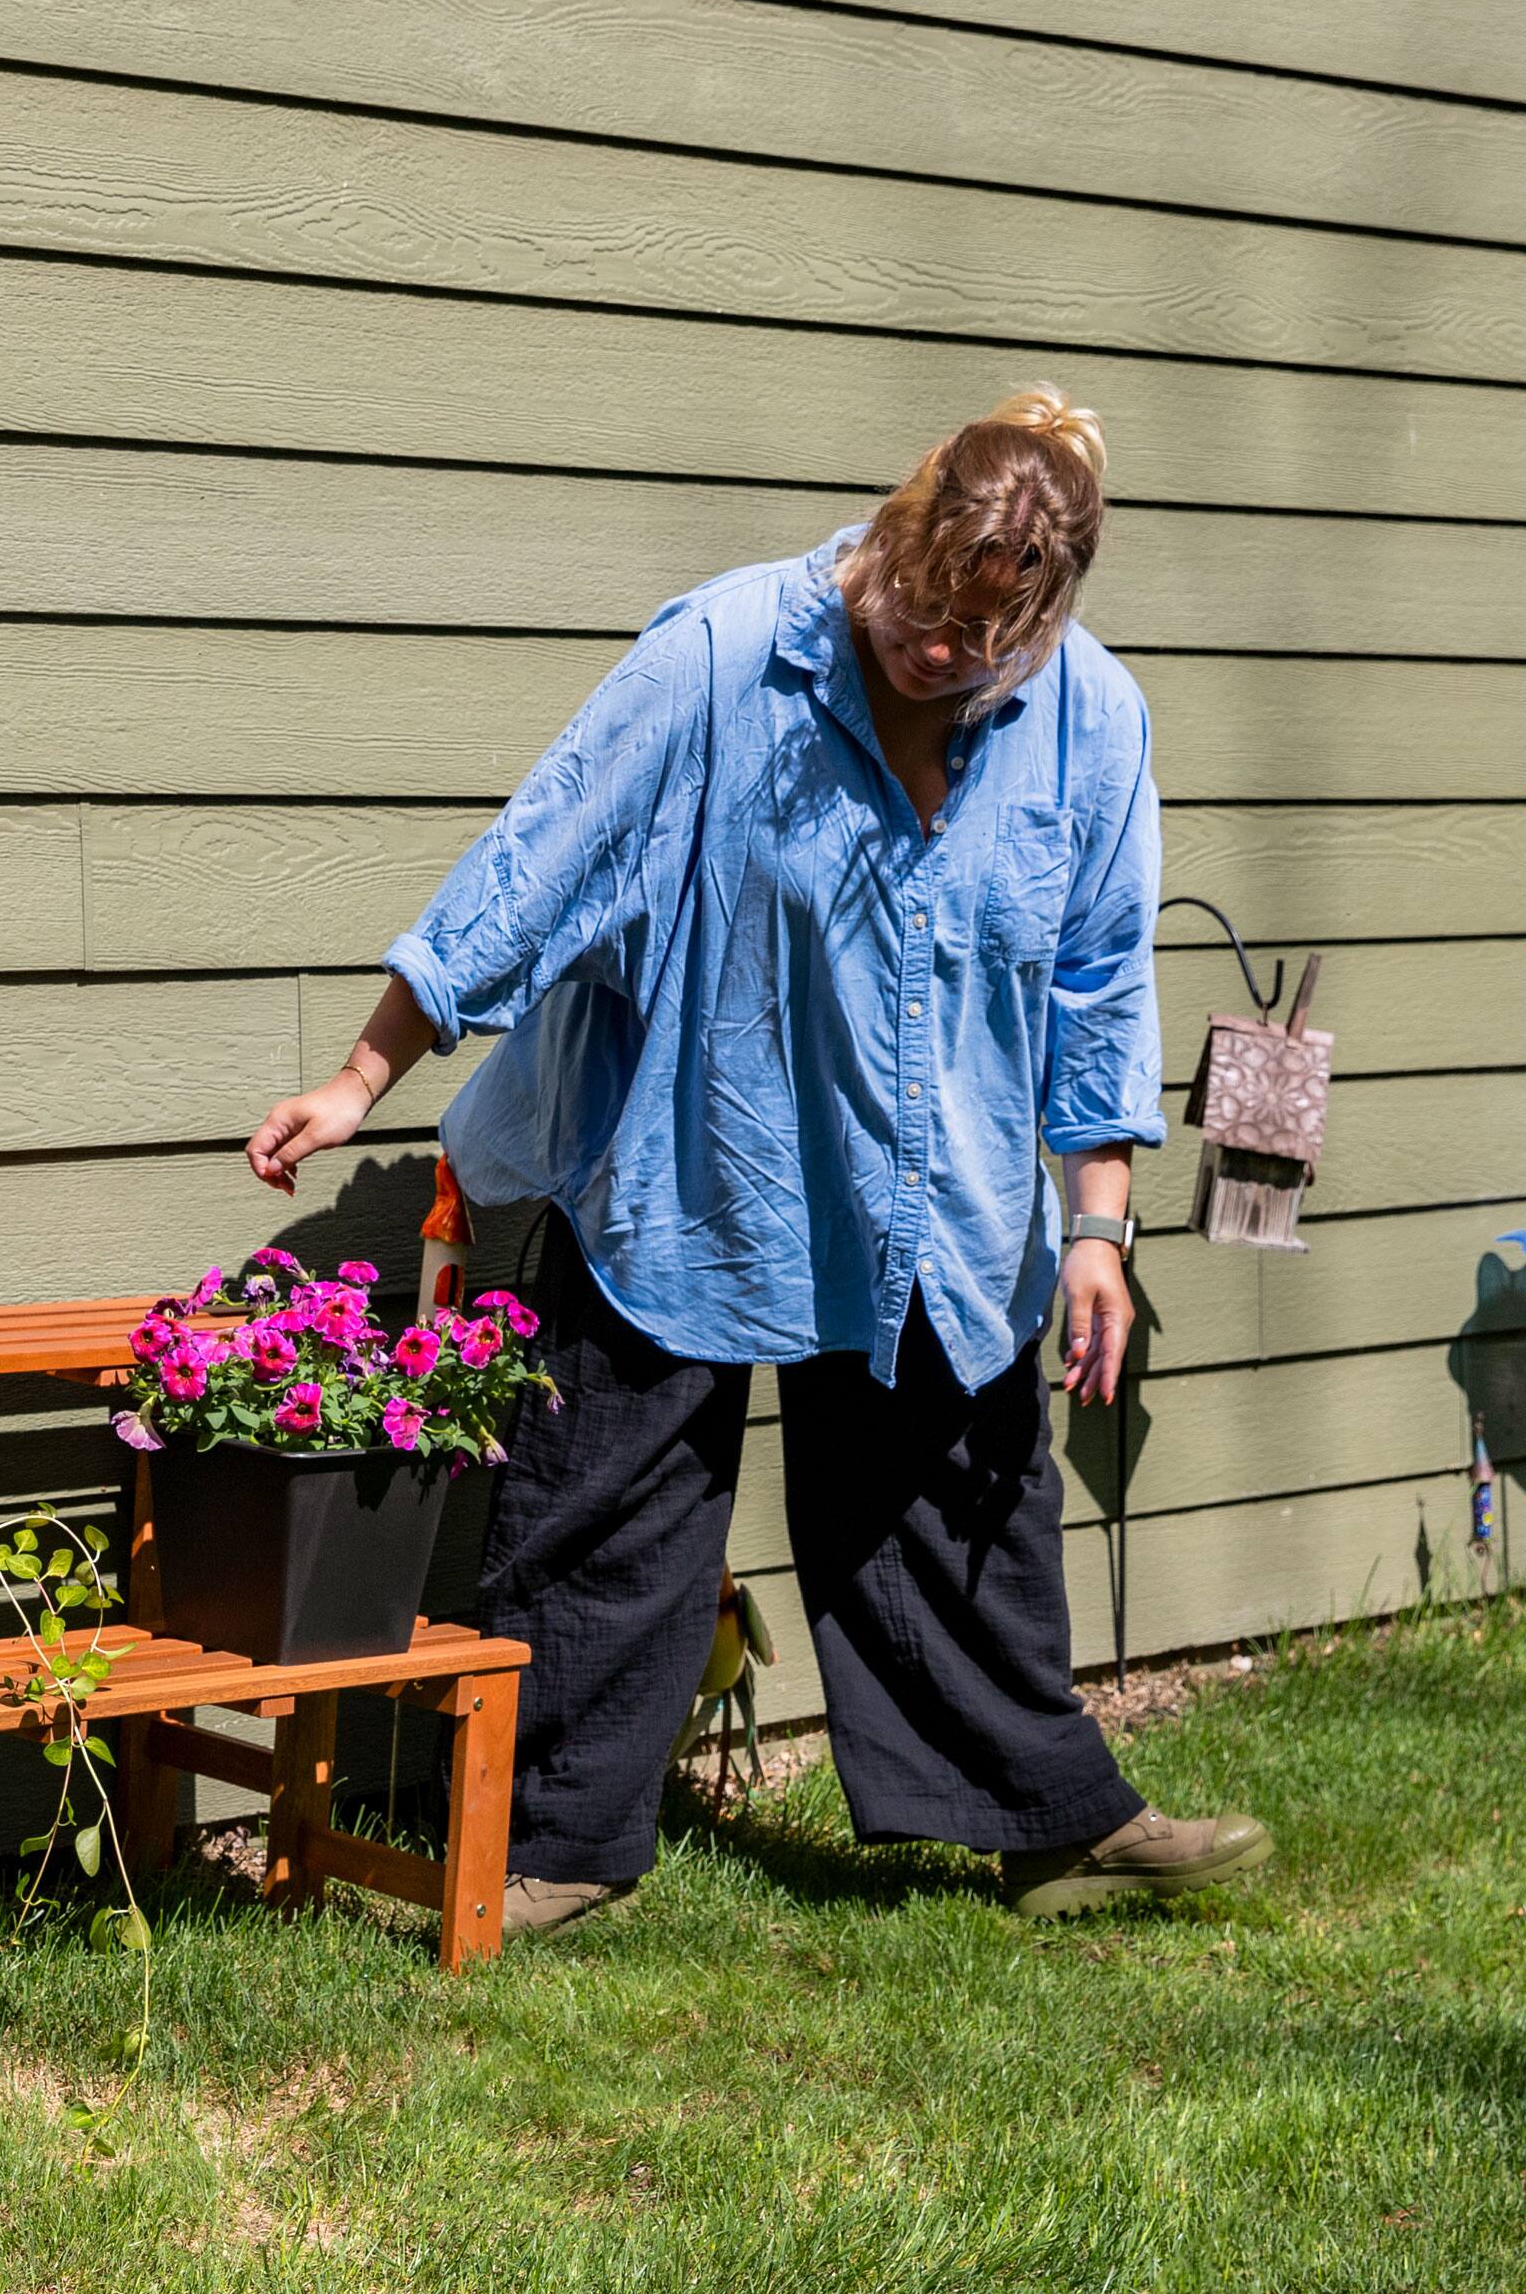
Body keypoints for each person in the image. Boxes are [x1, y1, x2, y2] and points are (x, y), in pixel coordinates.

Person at [246, 388, 1271, 1935]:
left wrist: (1098, 1229)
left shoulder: (1093, 720)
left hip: (934, 1187)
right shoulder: (726, 656)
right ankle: (551, 1847)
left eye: (988, 640)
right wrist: (363, 1072)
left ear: (1047, 622)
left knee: (960, 1506)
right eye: (927, 610)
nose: (944, 652)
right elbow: (538, 863)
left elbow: (1097, 981)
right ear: (902, 527)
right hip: (693, 1156)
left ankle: (1056, 1831)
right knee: (607, 1502)